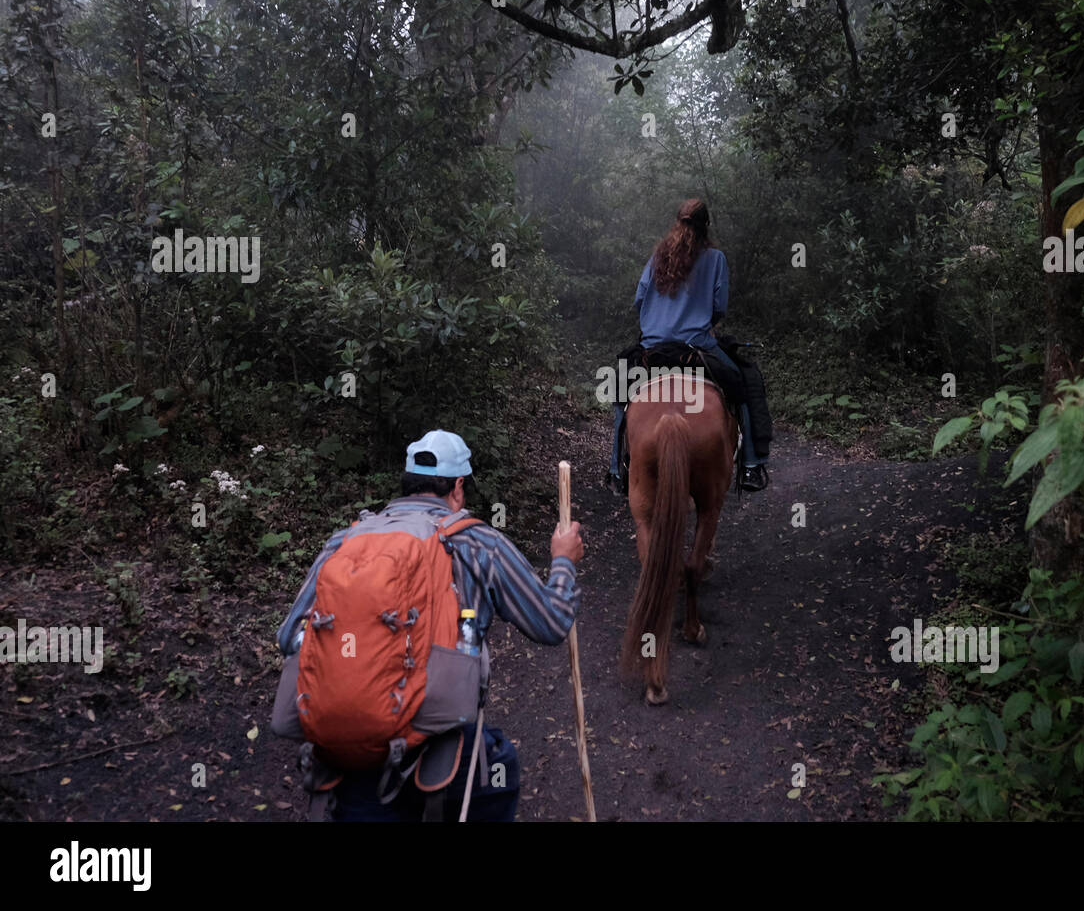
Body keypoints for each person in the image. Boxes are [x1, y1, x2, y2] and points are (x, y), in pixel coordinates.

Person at [274, 429, 584, 821]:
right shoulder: (479, 544)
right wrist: (563, 561)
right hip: (440, 759)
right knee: (501, 770)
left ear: (407, 484)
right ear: (458, 487)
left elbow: (289, 638)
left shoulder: (344, 542)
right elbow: (552, 621)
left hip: (346, 760)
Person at [608, 198, 769, 492]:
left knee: (621, 391)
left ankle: (616, 469)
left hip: (653, 346)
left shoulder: (658, 256)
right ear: (705, 227)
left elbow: (639, 299)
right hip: (697, 347)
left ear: (677, 223)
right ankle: (751, 465)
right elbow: (719, 306)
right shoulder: (716, 259)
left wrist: (658, 320)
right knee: (744, 383)